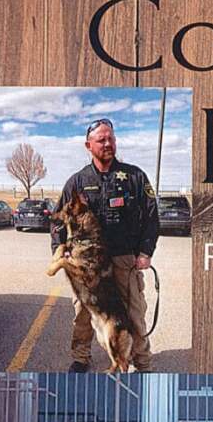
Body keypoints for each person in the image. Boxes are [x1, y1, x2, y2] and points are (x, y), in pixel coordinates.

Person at [51, 118, 159, 371]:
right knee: (83, 312)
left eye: (111, 138)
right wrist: (59, 248)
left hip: (124, 259)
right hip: (87, 262)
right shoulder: (77, 182)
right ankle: (81, 358)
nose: (108, 143)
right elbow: (58, 220)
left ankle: (142, 363)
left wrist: (145, 251)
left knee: (133, 314)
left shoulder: (134, 176)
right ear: (88, 145)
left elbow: (152, 215)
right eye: (101, 140)